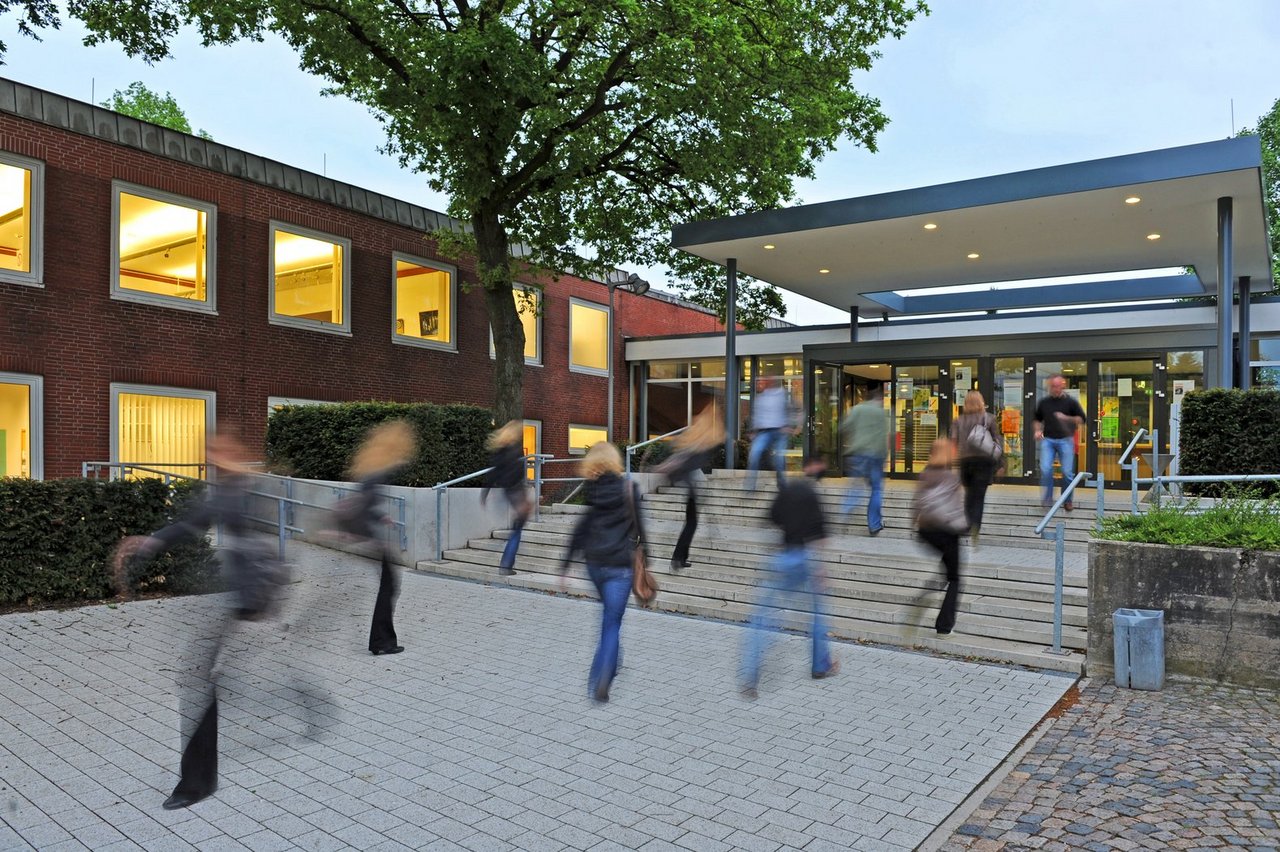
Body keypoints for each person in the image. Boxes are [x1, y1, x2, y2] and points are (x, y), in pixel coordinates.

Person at [112, 434, 288, 810]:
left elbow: (216, 526)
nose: (210, 458)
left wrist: (152, 542)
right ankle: (198, 778)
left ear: (233, 454)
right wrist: (151, 541)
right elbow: (195, 522)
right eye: (210, 453)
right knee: (199, 680)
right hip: (240, 593)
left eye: (217, 452)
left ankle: (197, 782)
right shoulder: (232, 488)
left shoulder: (240, 488)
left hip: (246, 593)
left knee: (196, 681)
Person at [739, 456, 838, 699]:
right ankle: (820, 665)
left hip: (781, 559)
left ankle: (750, 674)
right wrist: (821, 569)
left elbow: (770, 520)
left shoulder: (786, 492)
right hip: (803, 559)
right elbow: (820, 536)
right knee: (816, 616)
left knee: (761, 620)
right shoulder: (812, 495)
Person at [560, 442, 647, 703]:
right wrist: (647, 563)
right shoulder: (629, 490)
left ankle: (609, 663)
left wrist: (565, 565)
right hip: (620, 566)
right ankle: (604, 677)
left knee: (608, 619)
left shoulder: (593, 490)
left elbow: (581, 528)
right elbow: (641, 530)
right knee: (611, 623)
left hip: (595, 564)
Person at [334, 419, 417, 656]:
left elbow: (365, 500)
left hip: (370, 533)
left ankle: (381, 641)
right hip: (372, 537)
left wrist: (381, 517)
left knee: (389, 586)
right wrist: (376, 528)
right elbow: (366, 502)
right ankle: (382, 642)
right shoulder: (377, 470)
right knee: (389, 586)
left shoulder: (371, 467)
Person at [657, 405, 724, 571]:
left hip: (691, 485)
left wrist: (665, 466)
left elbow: (679, 455)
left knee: (690, 522)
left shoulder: (694, 438)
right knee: (691, 524)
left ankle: (680, 557)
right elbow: (683, 458)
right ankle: (678, 558)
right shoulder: (703, 439)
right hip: (693, 486)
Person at [912, 438, 967, 637]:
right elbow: (955, 509)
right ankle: (944, 625)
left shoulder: (925, 475)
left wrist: (914, 525)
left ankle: (925, 595)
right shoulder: (950, 478)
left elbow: (917, 502)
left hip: (926, 531)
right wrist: (964, 526)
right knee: (955, 578)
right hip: (947, 532)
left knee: (946, 571)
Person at [949, 389, 1003, 545]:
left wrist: (952, 463)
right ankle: (975, 527)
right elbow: (997, 443)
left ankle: (967, 524)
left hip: (965, 462)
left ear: (965, 403)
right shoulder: (989, 419)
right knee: (979, 496)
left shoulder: (958, 421)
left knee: (968, 495)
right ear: (981, 402)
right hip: (984, 462)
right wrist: (1001, 463)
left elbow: (953, 443)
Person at [481, 420, 532, 576]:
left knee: (518, 526)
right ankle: (506, 565)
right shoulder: (516, 450)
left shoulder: (500, 451)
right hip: (516, 490)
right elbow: (518, 473)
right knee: (518, 528)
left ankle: (506, 562)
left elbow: (493, 473)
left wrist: (485, 493)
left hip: (507, 491)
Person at [840, 382, 890, 535]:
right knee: (876, 490)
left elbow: (844, 427)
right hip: (875, 455)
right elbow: (885, 436)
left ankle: (846, 510)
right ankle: (874, 524)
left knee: (856, 486)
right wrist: (885, 457)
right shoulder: (881, 413)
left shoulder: (858, 409)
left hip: (859, 453)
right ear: (879, 398)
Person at [1032, 374, 1086, 510]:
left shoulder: (1071, 402)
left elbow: (1081, 420)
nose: (1055, 389)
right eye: (1052, 387)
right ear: (1049, 387)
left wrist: (1066, 418)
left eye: (1057, 386)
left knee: (1067, 473)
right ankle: (1048, 498)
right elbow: (1037, 419)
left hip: (1066, 440)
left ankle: (1067, 500)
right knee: (1045, 469)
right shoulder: (1044, 402)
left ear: (1063, 386)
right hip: (1048, 440)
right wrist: (1037, 431)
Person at [744, 376, 795, 490]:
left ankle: (782, 484)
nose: (758, 385)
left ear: (769, 382)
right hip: (764, 432)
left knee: (779, 458)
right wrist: (753, 431)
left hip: (779, 431)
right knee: (754, 454)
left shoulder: (782, 394)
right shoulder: (760, 398)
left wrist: (789, 425)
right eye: (758, 383)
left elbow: (791, 409)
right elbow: (757, 416)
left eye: (761, 382)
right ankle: (750, 485)